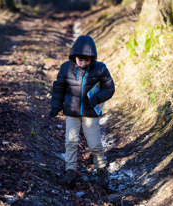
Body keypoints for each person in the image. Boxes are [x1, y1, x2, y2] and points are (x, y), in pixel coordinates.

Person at [49, 35, 115, 188]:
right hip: (72, 112)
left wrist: (97, 98)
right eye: (79, 58)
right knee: (71, 142)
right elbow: (59, 88)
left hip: (90, 113)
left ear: (92, 58)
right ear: (74, 56)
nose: (82, 62)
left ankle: (101, 171)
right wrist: (55, 106)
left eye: (86, 59)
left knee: (94, 145)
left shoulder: (101, 68)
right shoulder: (66, 67)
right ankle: (70, 172)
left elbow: (109, 88)